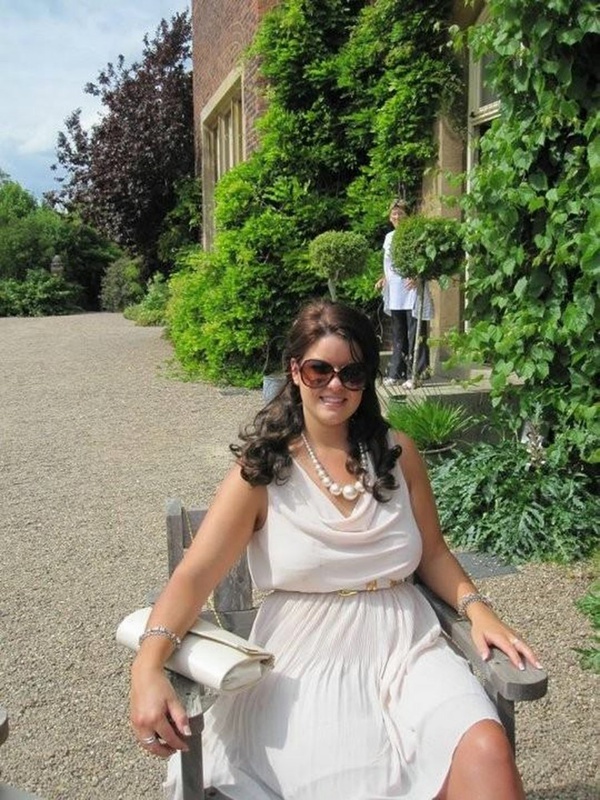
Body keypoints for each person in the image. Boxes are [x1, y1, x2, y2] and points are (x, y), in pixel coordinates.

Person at [129, 299, 542, 800]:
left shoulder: (396, 453)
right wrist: (147, 666)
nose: (335, 385)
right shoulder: (262, 472)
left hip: (408, 647)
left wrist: (478, 610)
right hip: (305, 659)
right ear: (295, 371)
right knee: (349, 782)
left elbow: (433, 553)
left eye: (352, 373)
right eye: (319, 370)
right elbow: (195, 575)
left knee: (485, 747)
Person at [377, 200, 433, 389]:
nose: (397, 217)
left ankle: (417, 374)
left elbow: (425, 260)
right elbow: (388, 264)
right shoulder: (389, 237)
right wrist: (384, 278)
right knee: (398, 333)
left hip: (412, 291)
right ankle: (397, 373)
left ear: (408, 216)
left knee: (415, 332)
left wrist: (418, 276)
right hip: (395, 291)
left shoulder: (416, 234)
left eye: (400, 213)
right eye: (394, 213)